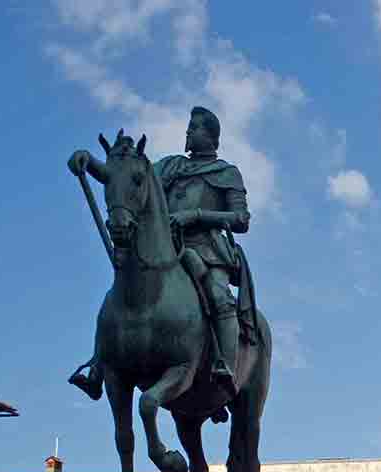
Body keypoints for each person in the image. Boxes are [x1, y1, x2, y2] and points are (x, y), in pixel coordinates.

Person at [68, 106, 256, 402]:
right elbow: (128, 174)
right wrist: (89, 161)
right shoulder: (170, 166)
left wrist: (194, 215)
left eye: (194, 129)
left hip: (207, 249)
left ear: (210, 135)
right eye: (188, 128)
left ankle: (225, 369)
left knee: (220, 297)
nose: (188, 133)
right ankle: (97, 367)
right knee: (121, 291)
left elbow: (240, 219)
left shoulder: (226, 173)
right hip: (163, 247)